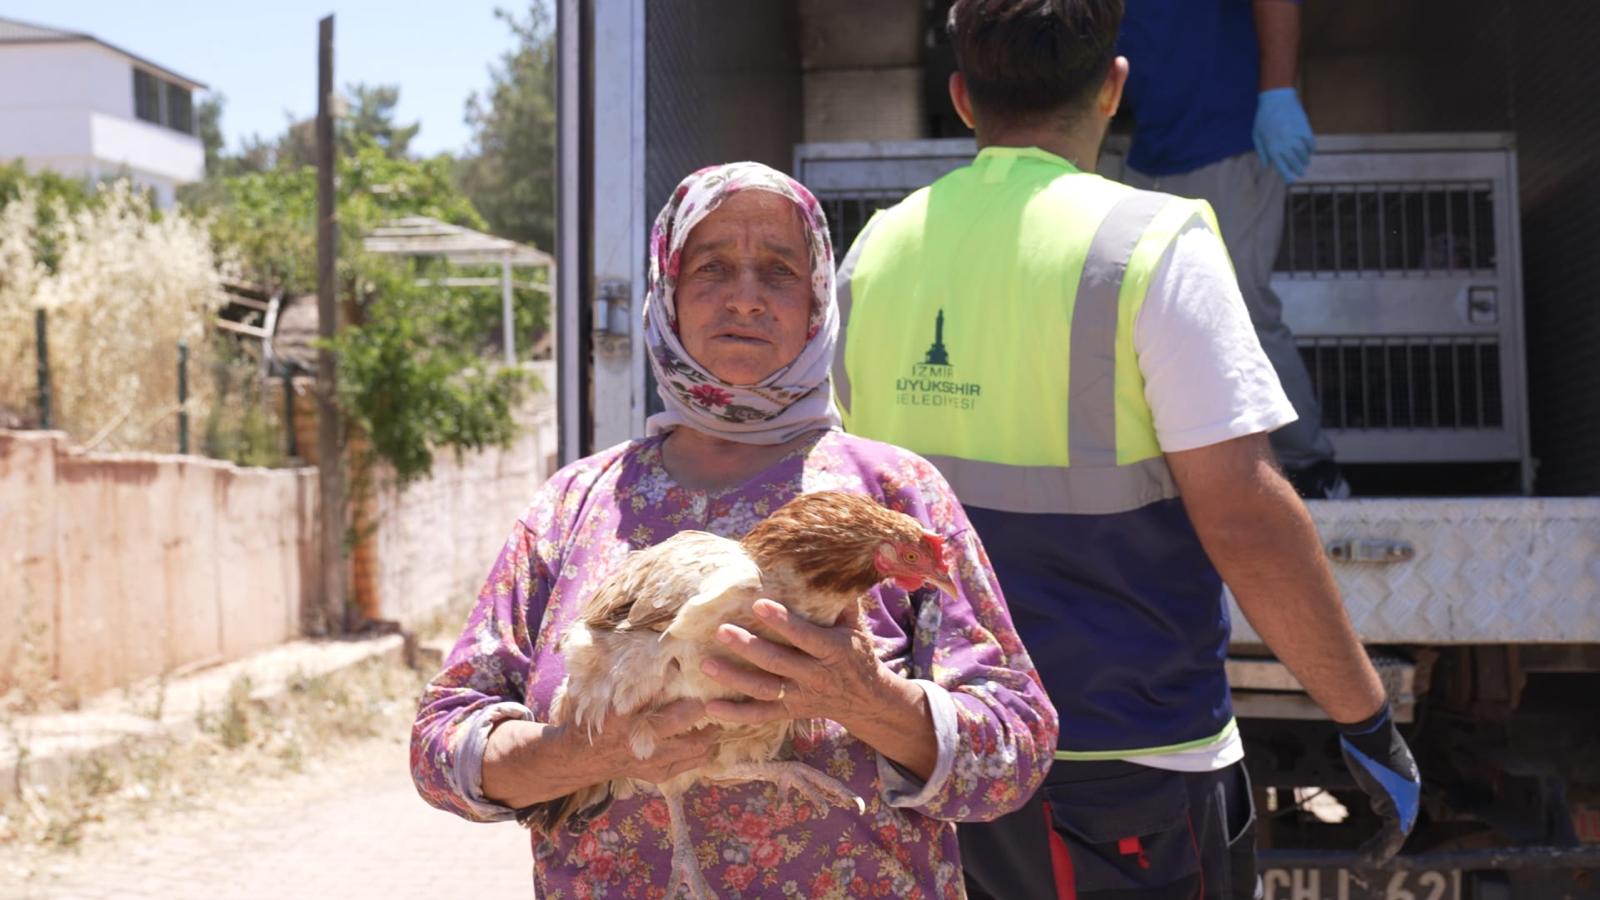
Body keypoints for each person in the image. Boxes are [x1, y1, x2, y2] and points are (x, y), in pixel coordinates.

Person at [833, 2, 1420, 897]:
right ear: (1113, 89)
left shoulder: (877, 251)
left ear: (962, 99)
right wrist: (1365, 718)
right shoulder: (1152, 244)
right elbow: (1244, 518)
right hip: (1128, 766)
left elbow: (839, 498)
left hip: (934, 750)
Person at [410, 161, 1057, 897]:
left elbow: (1016, 751)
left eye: (778, 271)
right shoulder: (574, 506)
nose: (745, 297)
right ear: (669, 293)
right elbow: (439, 748)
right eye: (712, 267)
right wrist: (580, 753)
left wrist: (866, 698)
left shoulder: (898, 495)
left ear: (816, 301)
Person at [1117, 0, 1348, 498]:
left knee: (1240, 306)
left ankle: (1310, 467)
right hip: (1151, 149)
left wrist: (1278, 92)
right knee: (1142, 315)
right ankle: (1173, 475)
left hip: (1232, 137)